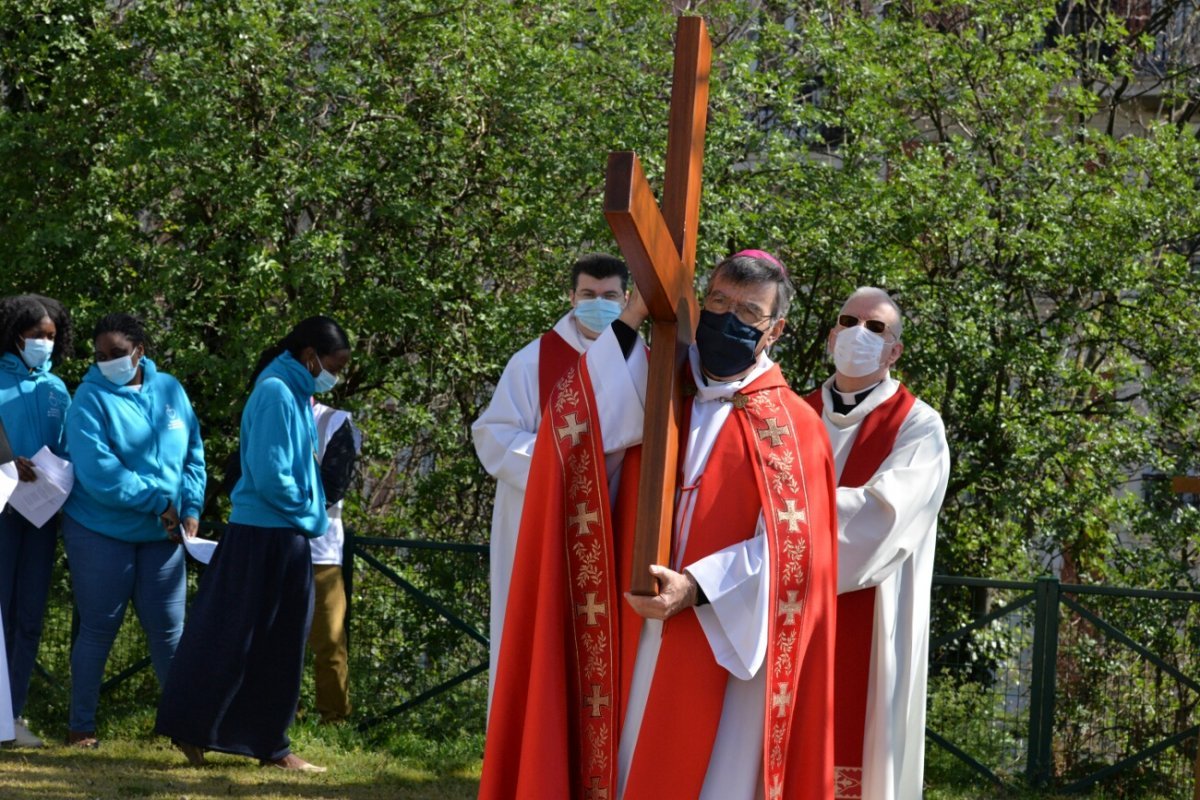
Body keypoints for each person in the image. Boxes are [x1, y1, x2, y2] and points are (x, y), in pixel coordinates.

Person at [480, 251, 838, 800]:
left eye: (748, 313)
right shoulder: (653, 386)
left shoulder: (796, 428)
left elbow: (792, 557)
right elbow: (576, 437)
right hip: (625, 627)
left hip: (719, 636)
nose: (727, 319)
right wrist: (630, 319)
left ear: (775, 330)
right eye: (717, 301)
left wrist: (696, 588)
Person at [156, 316, 351, 772]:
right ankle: (200, 729)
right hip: (266, 534)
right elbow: (268, 476)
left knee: (276, 644)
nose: (336, 376)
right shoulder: (275, 393)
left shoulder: (295, 392)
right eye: (334, 366)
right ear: (310, 357)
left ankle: (267, 742)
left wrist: (305, 514)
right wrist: (312, 514)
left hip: (281, 533)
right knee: (232, 638)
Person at [803, 287, 950, 800]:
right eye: (849, 321)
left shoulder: (919, 426)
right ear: (830, 337)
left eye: (877, 327)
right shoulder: (790, 416)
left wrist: (785, 524)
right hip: (785, 613)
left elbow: (881, 519)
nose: (859, 334)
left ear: (895, 352)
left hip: (873, 618)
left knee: (860, 753)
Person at [471, 252, 629, 708]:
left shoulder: (642, 361)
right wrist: (565, 466)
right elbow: (493, 434)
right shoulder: (533, 361)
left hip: (616, 521)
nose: (597, 303)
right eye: (588, 295)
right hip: (544, 520)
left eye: (609, 296)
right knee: (541, 634)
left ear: (626, 299)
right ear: (571, 297)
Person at [62, 313, 206, 748]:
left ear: (140, 351)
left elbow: (193, 456)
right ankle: (80, 729)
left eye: (117, 354)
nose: (108, 362)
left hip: (163, 534)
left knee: (170, 631)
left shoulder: (171, 391)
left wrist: (191, 506)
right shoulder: (88, 399)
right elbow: (100, 473)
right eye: (101, 356)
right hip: (100, 530)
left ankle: (186, 730)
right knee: (99, 628)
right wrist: (159, 503)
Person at [0, 294, 73, 748]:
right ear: (14, 335)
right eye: (36, 336)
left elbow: (68, 446)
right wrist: (7, 462)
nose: (44, 343)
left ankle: (14, 715)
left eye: (51, 337)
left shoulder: (58, 389)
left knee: (28, 618)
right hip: (2, 509)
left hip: (42, 515)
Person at [307, 401, 361, 723]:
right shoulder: (270, 409)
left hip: (322, 551)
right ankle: (279, 714)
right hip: (279, 545)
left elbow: (335, 484)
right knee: (276, 640)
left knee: (329, 641)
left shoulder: (334, 420)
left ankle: (335, 718)